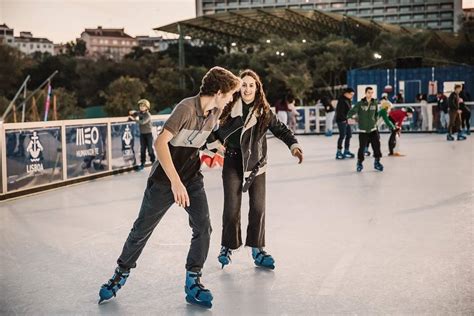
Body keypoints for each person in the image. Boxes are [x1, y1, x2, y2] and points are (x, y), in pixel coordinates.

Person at [98, 66, 241, 308]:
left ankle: (193, 281)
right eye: (229, 95)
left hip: (192, 178)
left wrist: (221, 150)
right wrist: (175, 182)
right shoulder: (186, 108)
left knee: (203, 227)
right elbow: (160, 142)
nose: (229, 100)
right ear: (218, 92)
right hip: (165, 180)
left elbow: (202, 140)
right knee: (141, 229)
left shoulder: (213, 114)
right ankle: (120, 273)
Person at [213, 69, 303, 270]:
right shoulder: (228, 108)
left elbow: (281, 129)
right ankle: (227, 246)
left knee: (258, 208)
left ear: (257, 87)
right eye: (244, 85)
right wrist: (216, 145)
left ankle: (257, 248)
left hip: (256, 166)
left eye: (251, 85)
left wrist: (293, 146)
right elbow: (211, 130)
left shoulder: (263, 111)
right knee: (231, 208)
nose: (247, 88)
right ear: (239, 87)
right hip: (233, 162)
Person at [347, 86, 383, 172]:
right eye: (368, 92)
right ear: (365, 93)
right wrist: (351, 118)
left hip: (373, 129)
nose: (370, 94)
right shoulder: (360, 104)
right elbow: (351, 112)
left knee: (377, 146)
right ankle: (359, 163)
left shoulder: (375, 103)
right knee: (362, 148)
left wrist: (375, 122)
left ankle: (377, 162)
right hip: (363, 130)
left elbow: (376, 114)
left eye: (371, 93)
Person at [128, 99, 155, 170]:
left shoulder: (148, 115)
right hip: (142, 134)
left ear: (147, 107)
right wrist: (133, 112)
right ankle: (142, 163)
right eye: (140, 106)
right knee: (142, 149)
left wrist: (134, 119)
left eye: (143, 106)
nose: (141, 107)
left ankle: (153, 162)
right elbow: (135, 113)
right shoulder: (140, 113)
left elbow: (142, 122)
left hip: (148, 134)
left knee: (150, 149)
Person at [335, 87, 356, 160]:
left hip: (347, 120)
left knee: (349, 135)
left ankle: (346, 150)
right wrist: (344, 119)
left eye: (353, 94)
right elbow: (339, 112)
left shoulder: (349, 100)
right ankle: (339, 151)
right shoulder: (341, 100)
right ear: (346, 93)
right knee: (342, 135)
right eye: (351, 94)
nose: (352, 96)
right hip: (341, 121)